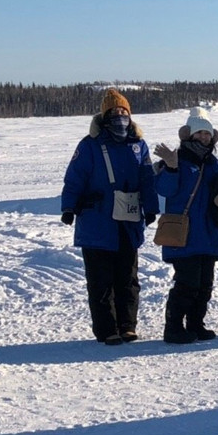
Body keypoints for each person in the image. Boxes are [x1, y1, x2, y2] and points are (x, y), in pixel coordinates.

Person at [61, 88, 159, 345]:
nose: (119, 115)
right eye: (114, 111)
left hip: (127, 221)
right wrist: (69, 207)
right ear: (104, 115)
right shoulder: (90, 145)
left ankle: (127, 325)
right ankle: (107, 330)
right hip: (96, 221)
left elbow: (147, 179)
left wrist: (150, 208)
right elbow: (74, 178)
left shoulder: (138, 145)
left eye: (123, 111)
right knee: (100, 281)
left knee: (127, 278)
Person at [153, 108, 218, 345]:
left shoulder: (215, 165)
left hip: (209, 233)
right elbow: (165, 190)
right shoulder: (176, 160)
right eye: (199, 133)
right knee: (187, 283)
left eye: (207, 134)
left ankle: (195, 324)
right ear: (188, 135)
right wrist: (170, 167)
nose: (204, 137)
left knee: (204, 285)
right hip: (184, 234)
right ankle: (173, 327)